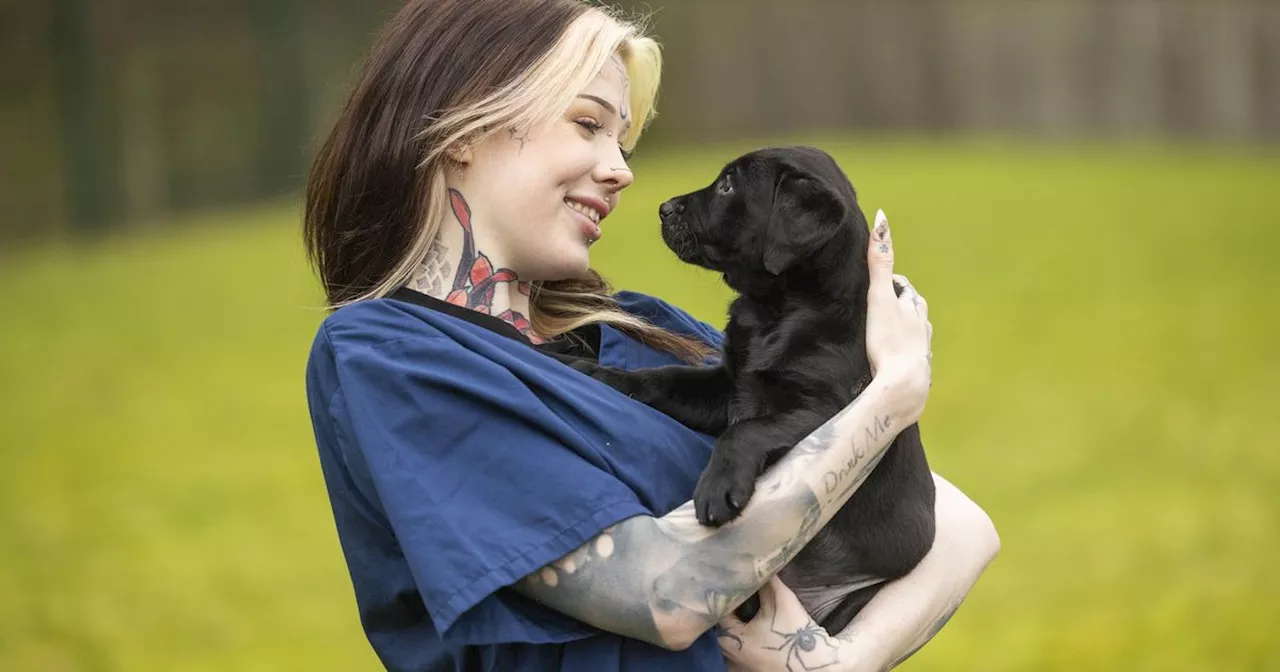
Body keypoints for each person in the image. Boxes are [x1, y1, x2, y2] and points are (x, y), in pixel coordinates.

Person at [302, 1, 1000, 670]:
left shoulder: (645, 332)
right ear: (462, 129)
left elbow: (961, 526)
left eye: (623, 140)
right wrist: (890, 396)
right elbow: (665, 596)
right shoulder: (394, 355)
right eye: (588, 124)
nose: (621, 169)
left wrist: (848, 659)